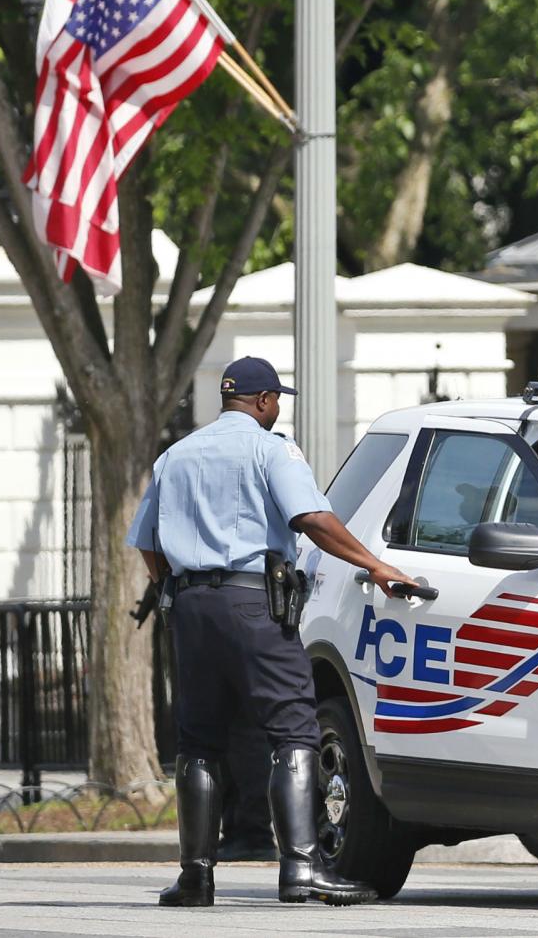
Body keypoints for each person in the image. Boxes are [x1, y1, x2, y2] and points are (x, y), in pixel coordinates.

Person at [129, 357, 421, 908]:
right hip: (252, 604)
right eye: (277, 399)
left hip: (189, 605)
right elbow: (310, 517)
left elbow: (147, 540)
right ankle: (301, 870)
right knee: (293, 730)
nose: (278, 407)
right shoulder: (271, 449)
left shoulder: (176, 454)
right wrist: (375, 564)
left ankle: (196, 877)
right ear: (263, 401)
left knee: (199, 741)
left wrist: (178, 587)